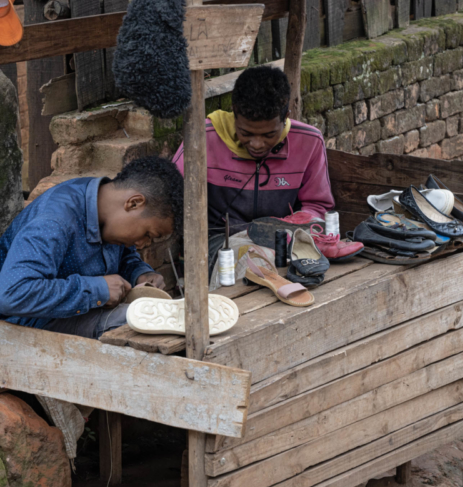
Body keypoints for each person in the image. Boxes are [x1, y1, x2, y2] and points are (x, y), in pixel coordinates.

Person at [0, 156, 183, 339]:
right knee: (142, 322)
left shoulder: (105, 207)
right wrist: (98, 290)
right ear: (133, 203)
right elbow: (12, 295)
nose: (143, 243)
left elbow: (125, 256)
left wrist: (140, 273)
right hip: (26, 323)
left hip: (76, 312)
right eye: (148, 234)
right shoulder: (54, 222)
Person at [173, 65, 335, 271]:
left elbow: (317, 205)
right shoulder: (203, 137)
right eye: (246, 133)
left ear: (286, 116)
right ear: (234, 112)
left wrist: (291, 229)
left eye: (269, 135)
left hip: (286, 240)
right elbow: (172, 193)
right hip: (218, 242)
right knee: (256, 261)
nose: (257, 144)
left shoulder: (309, 141)